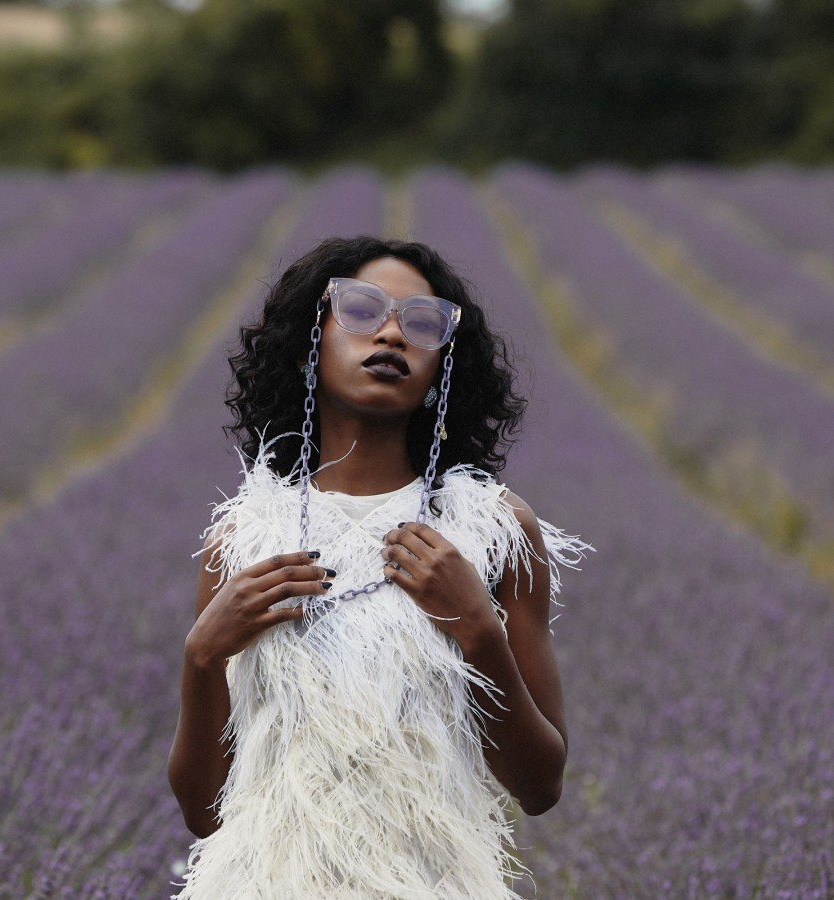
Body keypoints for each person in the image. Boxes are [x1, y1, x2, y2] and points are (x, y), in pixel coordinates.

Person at [167, 237, 588, 899]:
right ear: (312, 344)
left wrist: (481, 632)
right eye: (361, 310)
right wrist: (201, 656)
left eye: (423, 323)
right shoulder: (242, 539)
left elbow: (540, 787)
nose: (392, 333)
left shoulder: (494, 531)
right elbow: (203, 813)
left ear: (442, 368)